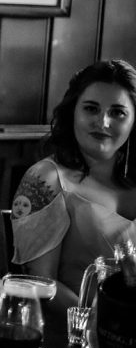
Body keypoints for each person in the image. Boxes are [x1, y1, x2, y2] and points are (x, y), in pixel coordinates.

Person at [12, 60, 136, 316]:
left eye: (118, 112)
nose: (103, 122)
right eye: (91, 109)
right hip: (71, 336)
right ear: (73, 112)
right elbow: (42, 283)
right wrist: (98, 323)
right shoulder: (46, 178)